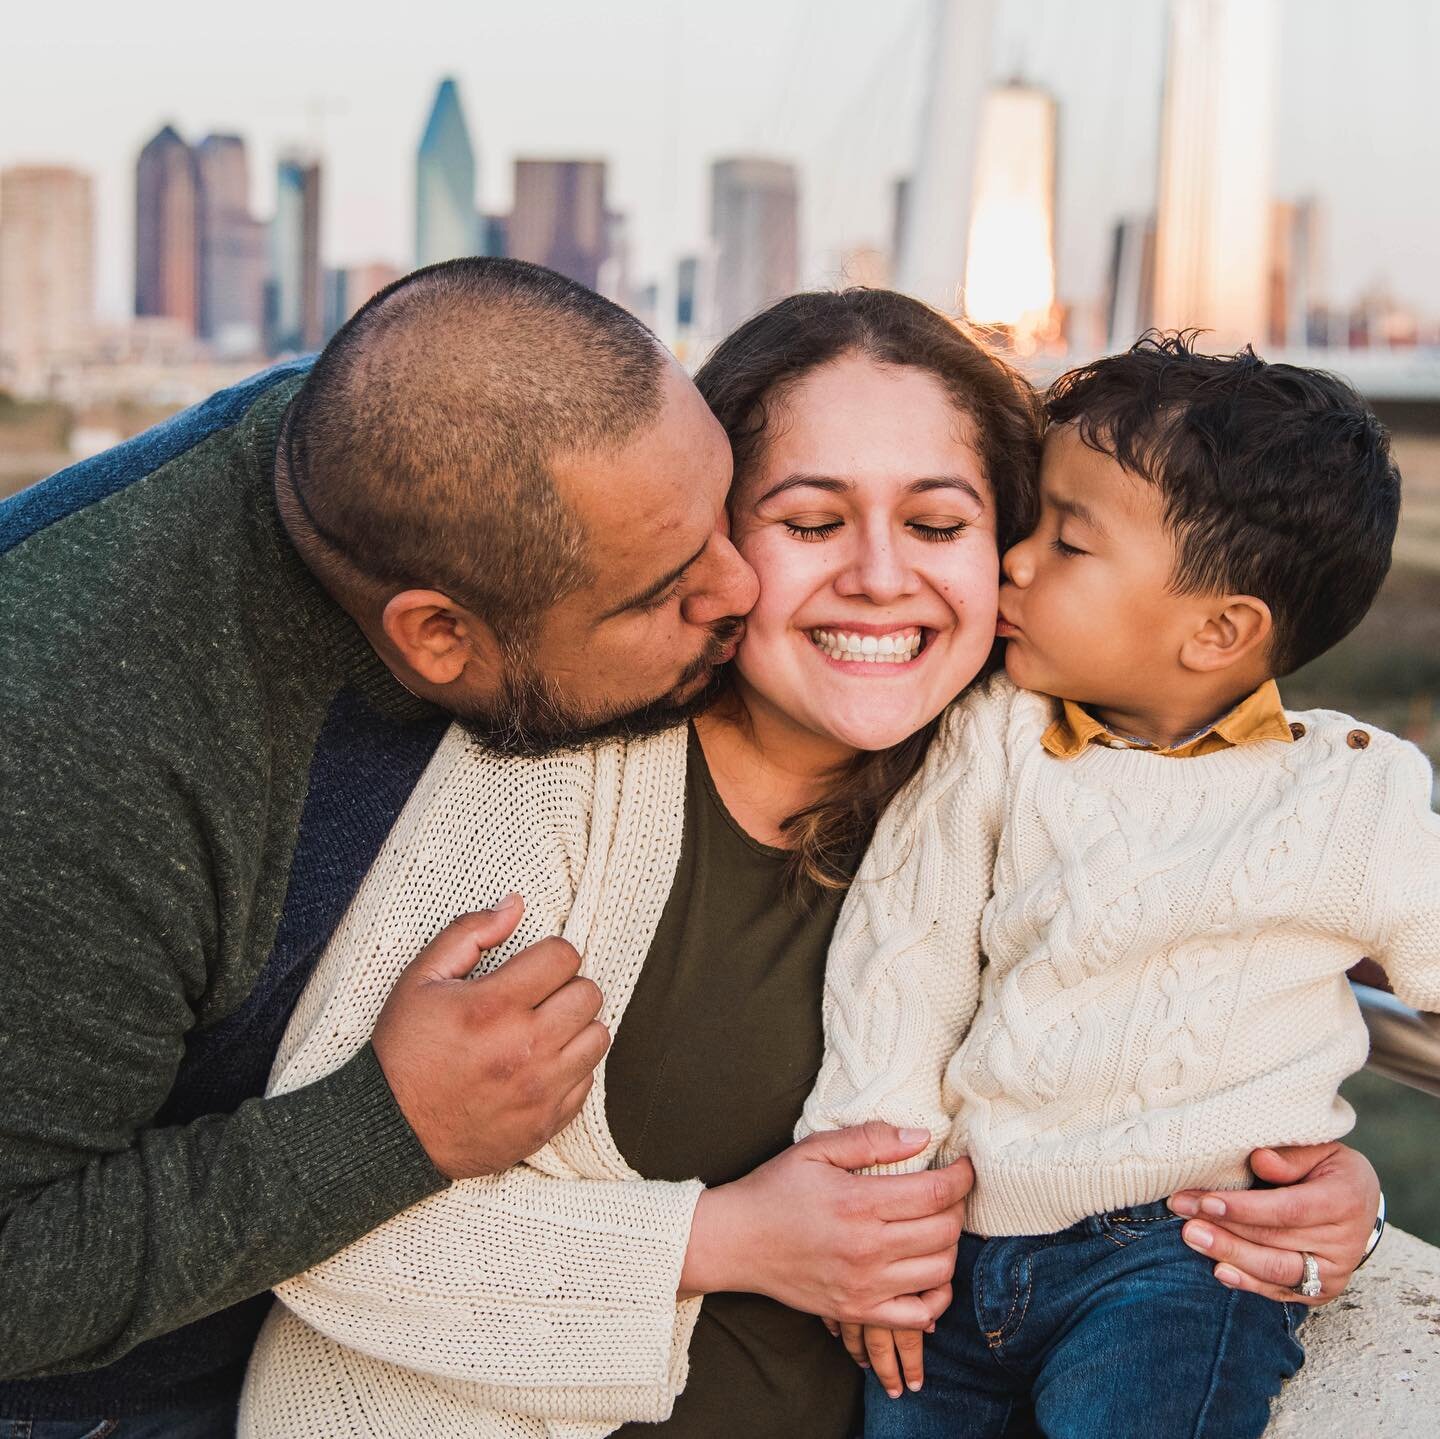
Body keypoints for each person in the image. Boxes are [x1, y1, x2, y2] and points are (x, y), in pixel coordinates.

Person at [239, 298, 1384, 1439]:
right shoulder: (550, 789)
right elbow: (313, 1224)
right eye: (810, 521)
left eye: (938, 525)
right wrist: (728, 1237)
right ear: (718, 539)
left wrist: (1327, 1200)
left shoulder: (1039, 783)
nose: (881, 577)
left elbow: (1203, 990)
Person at [0, 258, 759, 1434]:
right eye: (668, 590)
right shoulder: (78, 749)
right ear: (440, 635)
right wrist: (387, 1125)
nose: (744, 583)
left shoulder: (444, 444)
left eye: (729, 509)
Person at [799, 335, 1430, 1439]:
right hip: (958, 1243)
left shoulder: (1354, 790)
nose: (1017, 562)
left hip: (1182, 1257)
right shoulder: (998, 736)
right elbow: (908, 951)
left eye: (1069, 541)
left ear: (1220, 630)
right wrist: (881, 1190)